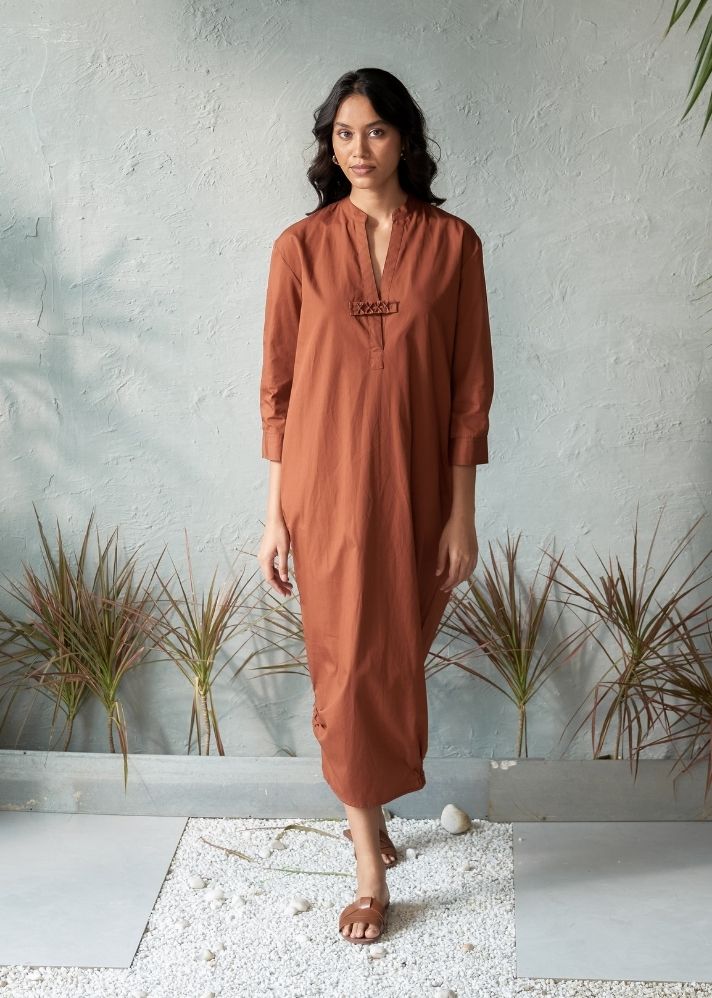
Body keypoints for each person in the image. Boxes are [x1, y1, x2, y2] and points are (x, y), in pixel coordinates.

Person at [257, 67, 495, 944]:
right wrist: (274, 516)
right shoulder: (299, 248)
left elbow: (470, 392)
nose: (359, 150)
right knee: (349, 667)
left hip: (420, 491)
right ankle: (367, 864)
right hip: (323, 491)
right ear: (330, 145)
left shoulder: (455, 246)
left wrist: (461, 514)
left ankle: (372, 805)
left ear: (405, 139)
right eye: (344, 134)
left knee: (392, 659)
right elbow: (278, 393)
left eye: (376, 132)